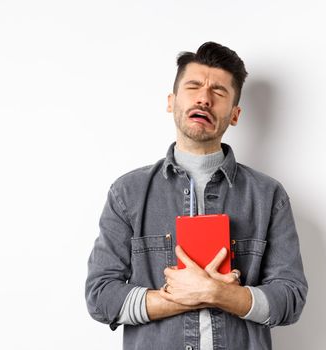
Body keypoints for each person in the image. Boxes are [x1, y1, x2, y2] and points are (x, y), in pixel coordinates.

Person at [85, 42, 308, 350]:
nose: (204, 98)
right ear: (171, 101)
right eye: (193, 87)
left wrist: (216, 293)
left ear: (234, 114)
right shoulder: (128, 193)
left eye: (219, 92)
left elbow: (291, 298)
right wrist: (183, 296)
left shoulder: (269, 195)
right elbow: (100, 297)